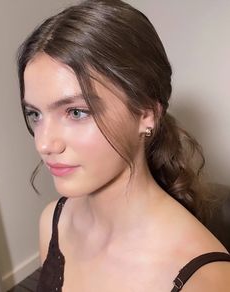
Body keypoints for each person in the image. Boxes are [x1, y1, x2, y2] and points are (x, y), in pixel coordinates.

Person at [17, 0, 230, 291]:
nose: (43, 143)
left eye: (76, 112)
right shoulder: (53, 222)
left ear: (146, 113)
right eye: (35, 114)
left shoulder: (204, 279)